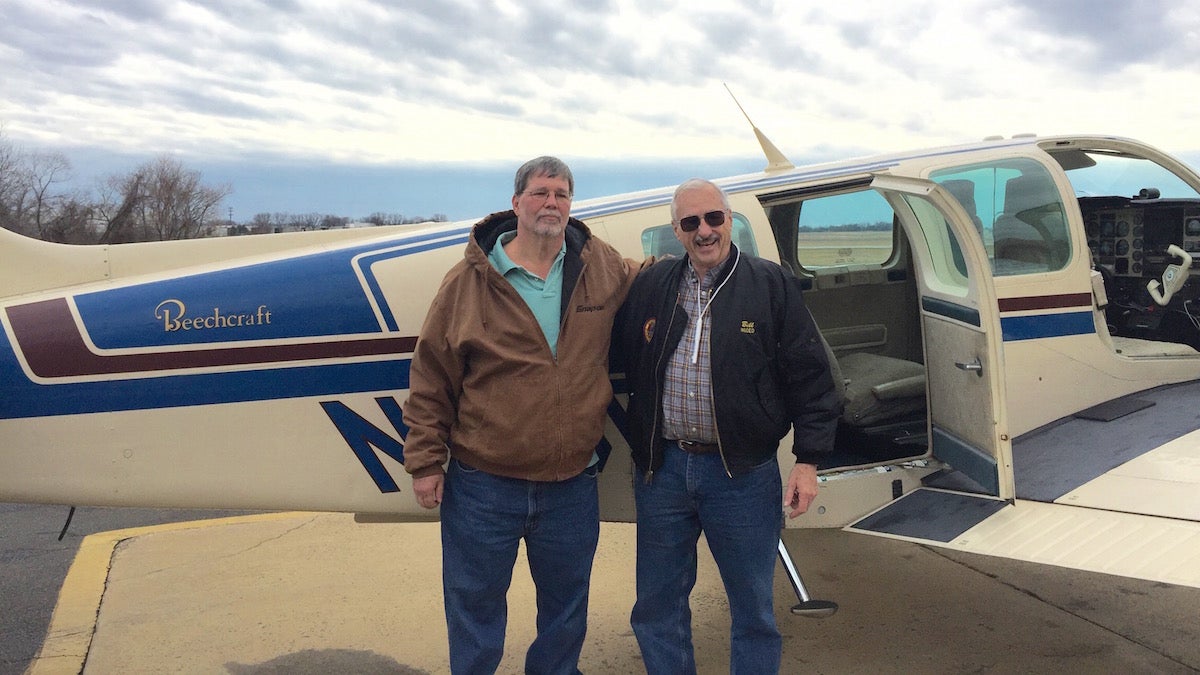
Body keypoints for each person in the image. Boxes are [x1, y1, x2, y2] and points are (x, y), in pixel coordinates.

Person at [401, 156, 638, 675]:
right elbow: (432, 374)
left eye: (560, 194)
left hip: (571, 482)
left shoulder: (600, 264)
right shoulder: (467, 281)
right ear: (515, 204)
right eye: (539, 192)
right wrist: (424, 461)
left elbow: (647, 280)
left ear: (571, 205)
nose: (551, 203)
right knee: (474, 608)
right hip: (484, 485)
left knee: (566, 609)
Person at [612, 178, 840, 674]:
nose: (704, 231)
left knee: (753, 611)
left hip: (742, 475)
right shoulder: (653, 286)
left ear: (729, 221)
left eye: (713, 218)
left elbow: (809, 375)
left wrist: (807, 462)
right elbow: (615, 357)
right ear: (676, 230)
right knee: (656, 608)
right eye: (690, 222)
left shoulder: (770, 283)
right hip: (663, 472)